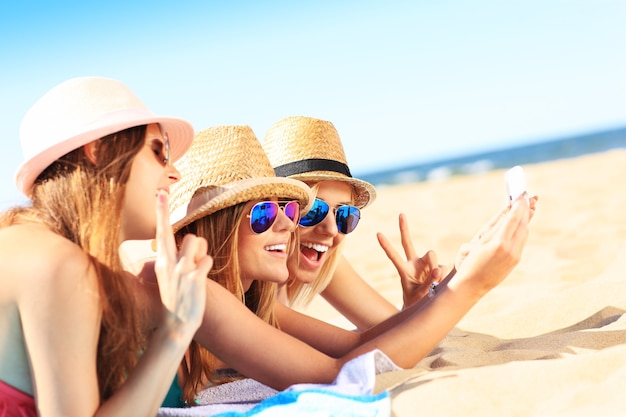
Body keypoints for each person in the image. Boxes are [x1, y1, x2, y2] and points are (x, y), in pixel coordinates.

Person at [148, 122, 535, 403]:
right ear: (213, 230)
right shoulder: (196, 290)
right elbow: (342, 373)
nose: (329, 229)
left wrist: (454, 280)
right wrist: (468, 287)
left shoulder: (254, 299)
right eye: (266, 213)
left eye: (287, 208)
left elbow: (359, 344)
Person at [0, 76, 213, 416]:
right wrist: (177, 327)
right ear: (98, 151)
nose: (175, 174)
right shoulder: (59, 263)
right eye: (158, 151)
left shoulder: (24, 240)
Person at [262, 116, 446, 330]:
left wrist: (415, 306)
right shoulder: (245, 283)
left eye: (344, 215)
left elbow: (389, 331)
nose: (331, 229)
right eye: (313, 210)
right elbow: (348, 351)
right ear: (270, 209)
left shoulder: (321, 257)